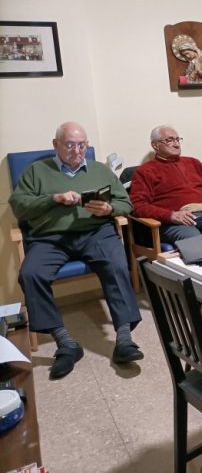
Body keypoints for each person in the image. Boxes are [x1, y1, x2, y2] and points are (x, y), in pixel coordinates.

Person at [8, 122, 143, 379]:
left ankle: (124, 338)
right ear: (55, 144)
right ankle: (66, 343)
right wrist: (53, 199)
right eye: (69, 144)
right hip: (50, 238)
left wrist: (109, 209)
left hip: (95, 232)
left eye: (82, 145)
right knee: (30, 274)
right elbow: (20, 206)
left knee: (116, 263)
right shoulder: (37, 171)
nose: (76, 150)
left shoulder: (100, 170)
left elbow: (126, 201)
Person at [128, 124, 202, 325]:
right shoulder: (146, 171)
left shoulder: (193, 163)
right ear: (155, 145)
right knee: (193, 239)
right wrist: (171, 215)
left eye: (177, 139)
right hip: (176, 222)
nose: (176, 143)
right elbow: (138, 205)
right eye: (169, 140)